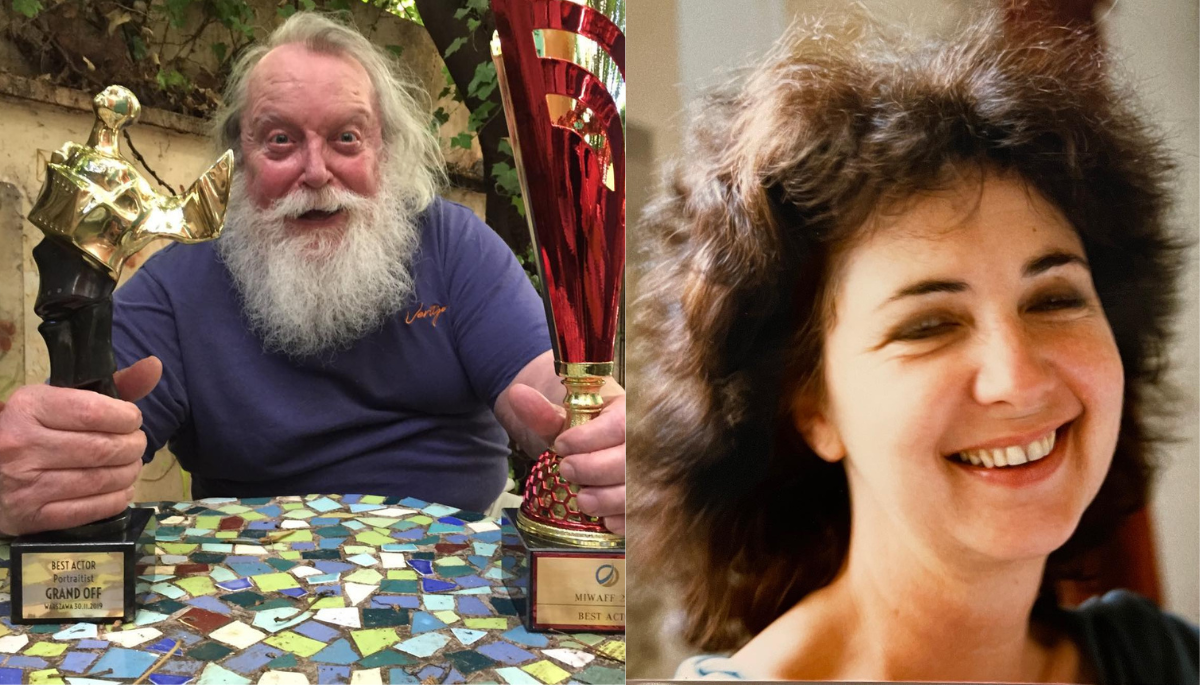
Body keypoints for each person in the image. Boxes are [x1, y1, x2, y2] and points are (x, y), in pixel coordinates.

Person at [629, 10, 1196, 684]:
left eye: (1053, 300)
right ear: (810, 405)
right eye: (929, 324)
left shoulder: (1163, 658)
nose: (1015, 376)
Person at [0, 12, 625, 537]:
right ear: (236, 164)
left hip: (450, 573)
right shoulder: (176, 284)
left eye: (347, 138)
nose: (317, 172)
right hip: (235, 592)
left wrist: (601, 431)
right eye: (279, 141)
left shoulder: (453, 245)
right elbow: (85, 421)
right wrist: (46, 464)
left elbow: (545, 386)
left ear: (385, 154)